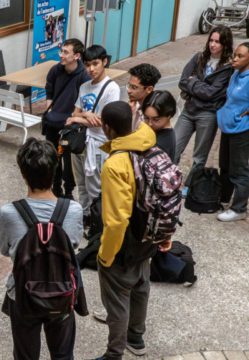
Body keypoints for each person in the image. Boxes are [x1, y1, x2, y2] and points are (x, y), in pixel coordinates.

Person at [91, 101, 172, 360]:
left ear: (107, 128)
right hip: (150, 233)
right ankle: (136, 339)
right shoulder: (149, 144)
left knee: (117, 300)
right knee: (140, 287)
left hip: (125, 243)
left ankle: (114, 353)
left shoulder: (115, 165)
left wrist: (106, 255)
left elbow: (116, 221)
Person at [0, 138, 84, 360]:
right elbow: (74, 243)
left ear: (23, 174)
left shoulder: (9, 212)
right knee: (63, 354)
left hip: (23, 295)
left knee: (25, 355)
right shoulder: (73, 210)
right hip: (63, 292)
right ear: (55, 171)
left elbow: (5, 250)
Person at [66, 45, 120, 225]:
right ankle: (86, 217)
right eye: (88, 64)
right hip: (80, 141)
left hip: (98, 143)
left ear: (105, 62)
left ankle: (98, 222)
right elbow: (75, 114)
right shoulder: (84, 86)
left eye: (95, 64)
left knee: (95, 186)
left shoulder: (112, 88)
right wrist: (86, 115)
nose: (91, 69)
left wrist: (78, 117)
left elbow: (103, 121)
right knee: (81, 183)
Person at [175, 26, 234, 191]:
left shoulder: (227, 67)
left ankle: (190, 186)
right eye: (211, 40)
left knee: (199, 155)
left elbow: (211, 93)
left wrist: (193, 83)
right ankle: (168, 180)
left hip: (208, 114)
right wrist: (198, 86)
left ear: (225, 44)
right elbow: (182, 81)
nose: (213, 45)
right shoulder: (199, 57)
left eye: (217, 42)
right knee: (174, 146)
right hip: (189, 110)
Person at [43, 38, 92, 200]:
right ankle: (55, 187)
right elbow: (49, 90)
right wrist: (50, 111)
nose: (61, 55)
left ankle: (69, 192)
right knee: (52, 158)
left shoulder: (84, 76)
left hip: (69, 126)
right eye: (61, 51)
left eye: (65, 52)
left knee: (68, 161)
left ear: (77, 56)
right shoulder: (56, 70)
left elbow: (86, 103)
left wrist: (73, 119)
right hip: (52, 124)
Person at [216, 42, 249, 222]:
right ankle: (224, 199)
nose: (235, 59)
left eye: (240, 56)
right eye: (235, 55)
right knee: (225, 166)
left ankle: (239, 209)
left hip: (242, 130)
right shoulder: (235, 74)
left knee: (239, 171)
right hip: (228, 127)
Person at [141, 90, 178, 162]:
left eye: (156, 120)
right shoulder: (156, 131)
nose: (150, 124)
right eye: (146, 118)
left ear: (168, 116)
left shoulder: (161, 145)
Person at [126, 64, 162, 131]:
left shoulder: (152, 115)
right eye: (129, 85)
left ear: (149, 89)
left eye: (134, 87)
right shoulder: (133, 107)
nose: (128, 91)